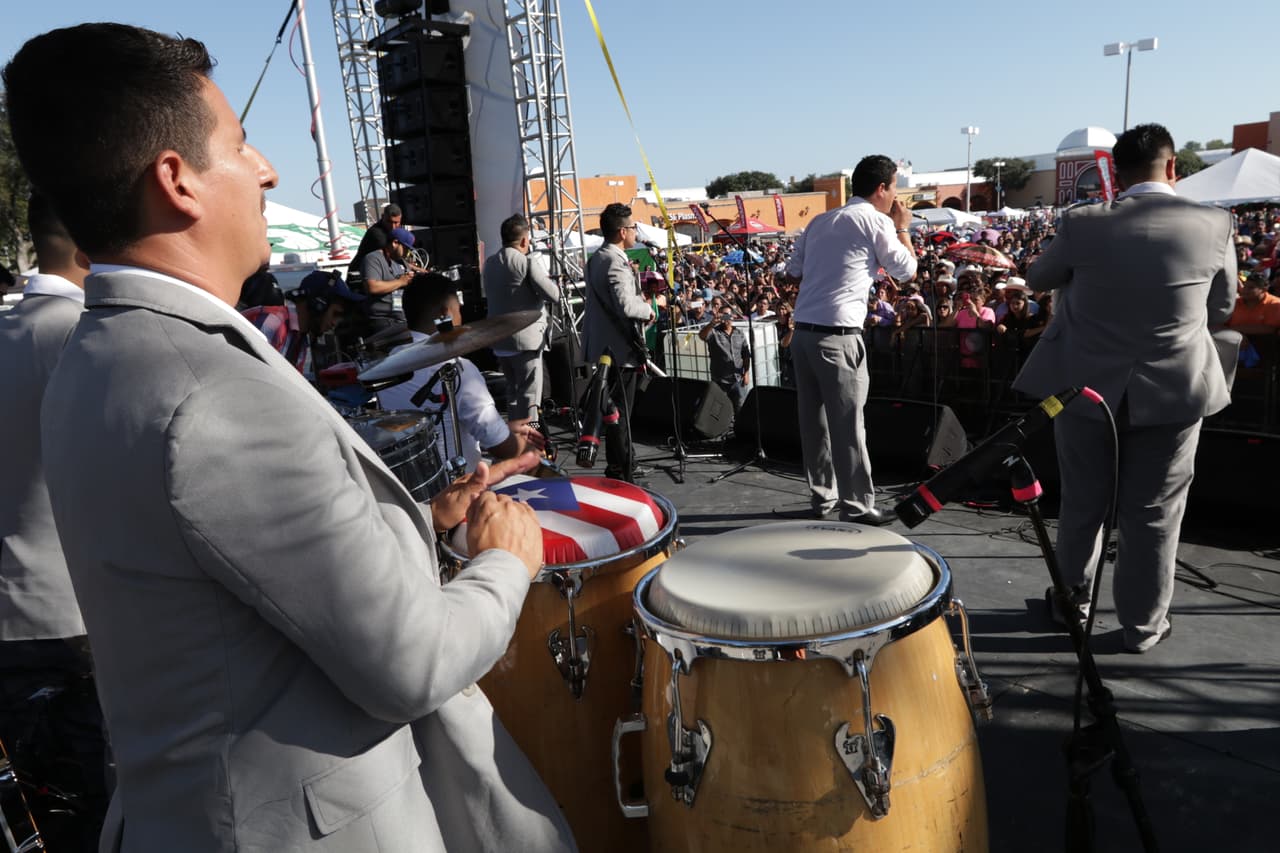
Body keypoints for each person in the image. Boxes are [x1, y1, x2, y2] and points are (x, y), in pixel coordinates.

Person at [4, 22, 575, 852]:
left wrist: (417, 522)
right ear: (178, 182)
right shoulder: (209, 388)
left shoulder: (97, 353)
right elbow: (411, 661)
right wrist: (504, 560)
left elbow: (226, 581)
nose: (266, 168)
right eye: (239, 144)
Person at [1015, 123, 1237, 654]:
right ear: (1174, 167)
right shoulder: (1213, 225)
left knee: (1083, 504)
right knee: (1155, 514)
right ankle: (1141, 627)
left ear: (1115, 172)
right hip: (1175, 392)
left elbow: (1039, 277)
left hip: (1085, 394)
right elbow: (1223, 309)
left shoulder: (1085, 223)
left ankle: (1071, 603)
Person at [0, 194, 110, 852]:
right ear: (92, 247)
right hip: (73, 624)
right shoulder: (83, 335)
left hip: (13, 621)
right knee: (104, 817)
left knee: (61, 823)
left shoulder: (8, 333)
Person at [783, 154, 917, 524]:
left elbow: (792, 272)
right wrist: (902, 227)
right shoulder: (876, 221)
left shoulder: (819, 221)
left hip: (804, 334)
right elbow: (905, 271)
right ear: (882, 189)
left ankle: (823, 499)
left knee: (814, 425)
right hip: (838, 338)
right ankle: (857, 506)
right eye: (894, 188)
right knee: (847, 426)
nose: (895, 197)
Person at [380, 272, 546, 471]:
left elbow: (446, 426)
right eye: (458, 309)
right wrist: (533, 452)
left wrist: (504, 429)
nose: (462, 316)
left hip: (410, 482)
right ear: (445, 315)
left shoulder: (387, 365)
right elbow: (502, 448)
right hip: (460, 487)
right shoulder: (457, 370)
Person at [582, 203, 655, 483]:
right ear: (622, 231)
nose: (636, 231)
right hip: (618, 349)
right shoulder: (614, 260)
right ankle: (621, 472)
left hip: (604, 347)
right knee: (619, 414)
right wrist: (647, 308)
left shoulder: (597, 257)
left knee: (613, 411)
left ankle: (621, 464)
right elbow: (625, 304)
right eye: (633, 227)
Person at [482, 213, 561, 423]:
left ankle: (517, 438)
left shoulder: (489, 263)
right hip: (525, 342)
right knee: (530, 398)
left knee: (512, 393)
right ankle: (532, 441)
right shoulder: (526, 262)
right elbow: (553, 295)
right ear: (525, 240)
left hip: (500, 340)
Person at [241, 269, 366, 373]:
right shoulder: (273, 323)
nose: (335, 323)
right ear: (318, 303)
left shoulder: (299, 339)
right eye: (336, 314)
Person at [359, 225, 420, 333]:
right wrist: (401, 282)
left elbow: (411, 271)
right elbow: (372, 287)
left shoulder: (399, 261)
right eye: (405, 248)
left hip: (403, 320)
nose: (407, 253)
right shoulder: (373, 258)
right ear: (395, 243)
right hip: (384, 322)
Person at [698, 306, 751, 416]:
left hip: (737, 379)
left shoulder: (739, 333)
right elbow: (702, 336)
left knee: (740, 408)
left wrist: (746, 372)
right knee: (719, 411)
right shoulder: (714, 332)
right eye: (723, 315)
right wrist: (712, 323)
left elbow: (746, 354)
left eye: (728, 315)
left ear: (732, 316)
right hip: (720, 380)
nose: (726, 318)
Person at [347, 202, 402, 280]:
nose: (393, 226)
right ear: (383, 217)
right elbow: (393, 254)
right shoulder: (376, 233)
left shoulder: (393, 231)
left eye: (396, 223)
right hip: (358, 275)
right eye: (389, 222)